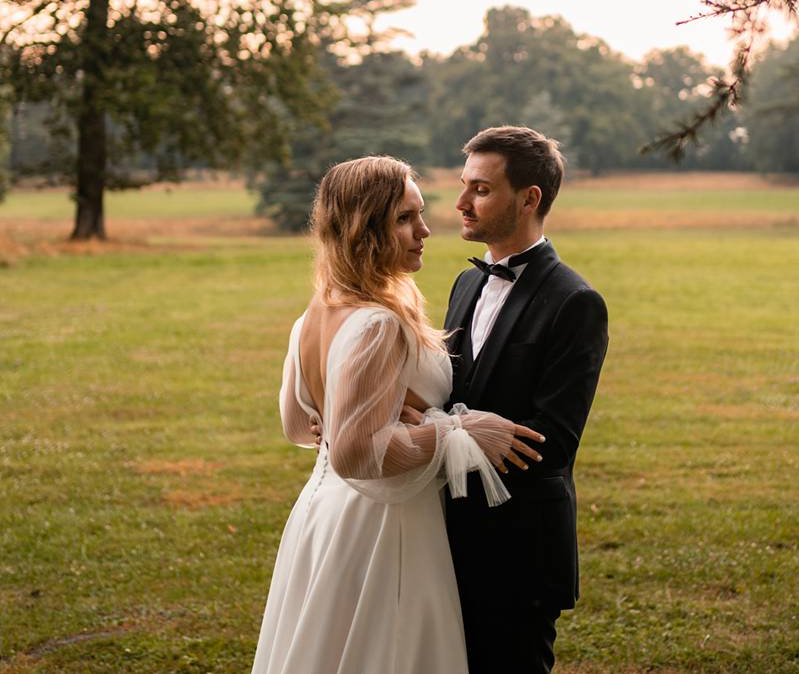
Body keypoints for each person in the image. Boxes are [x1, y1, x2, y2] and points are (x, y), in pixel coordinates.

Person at [252, 155, 544, 674]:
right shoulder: (376, 325)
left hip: (322, 518)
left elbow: (302, 428)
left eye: (420, 215)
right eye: (405, 219)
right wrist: (458, 430)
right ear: (366, 230)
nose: (425, 230)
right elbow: (355, 452)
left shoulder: (316, 314)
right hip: (384, 529)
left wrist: (393, 417)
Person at [442, 126, 610, 674]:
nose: (462, 202)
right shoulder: (464, 285)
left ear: (529, 197)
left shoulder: (575, 302)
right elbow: (449, 396)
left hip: (518, 550)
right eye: (464, 186)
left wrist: (445, 433)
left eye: (481, 190)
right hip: (443, 540)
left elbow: (552, 442)